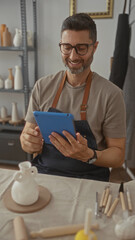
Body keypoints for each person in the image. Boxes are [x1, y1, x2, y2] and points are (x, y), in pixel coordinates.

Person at [20, 13, 126, 182]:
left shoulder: (112, 95)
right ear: (60, 46)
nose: (73, 56)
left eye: (81, 48)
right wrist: (28, 142)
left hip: (90, 178)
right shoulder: (42, 86)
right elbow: (26, 137)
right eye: (67, 47)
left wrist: (89, 155)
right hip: (45, 172)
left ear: (94, 47)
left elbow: (118, 155)